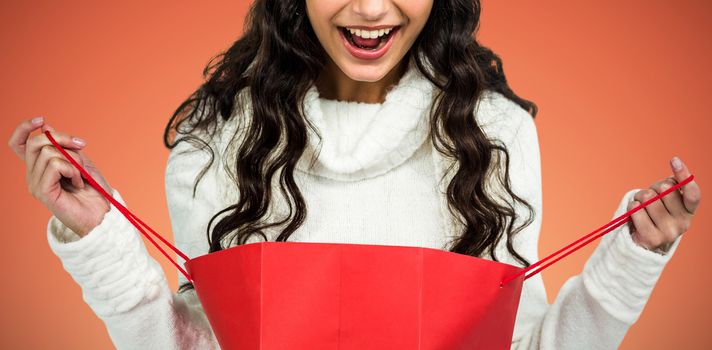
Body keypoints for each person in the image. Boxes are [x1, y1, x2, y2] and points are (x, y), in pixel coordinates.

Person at [8, 0, 701, 349]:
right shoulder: (217, 143)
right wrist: (100, 236)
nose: (371, 10)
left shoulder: (494, 136)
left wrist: (631, 260)